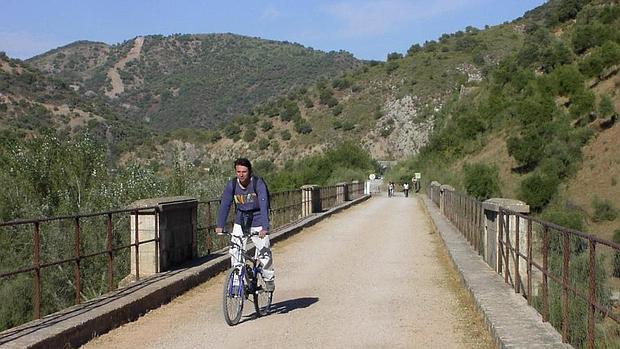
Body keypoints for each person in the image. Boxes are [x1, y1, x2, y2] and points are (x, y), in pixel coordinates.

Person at [216, 158, 275, 292]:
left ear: (249, 171)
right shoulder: (232, 185)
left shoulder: (257, 183)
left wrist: (265, 227)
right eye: (238, 172)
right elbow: (225, 204)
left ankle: (268, 277)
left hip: (258, 219)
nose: (241, 175)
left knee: (264, 251)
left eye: (244, 171)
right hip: (241, 219)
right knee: (235, 251)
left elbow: (264, 204)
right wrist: (220, 224)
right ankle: (237, 284)